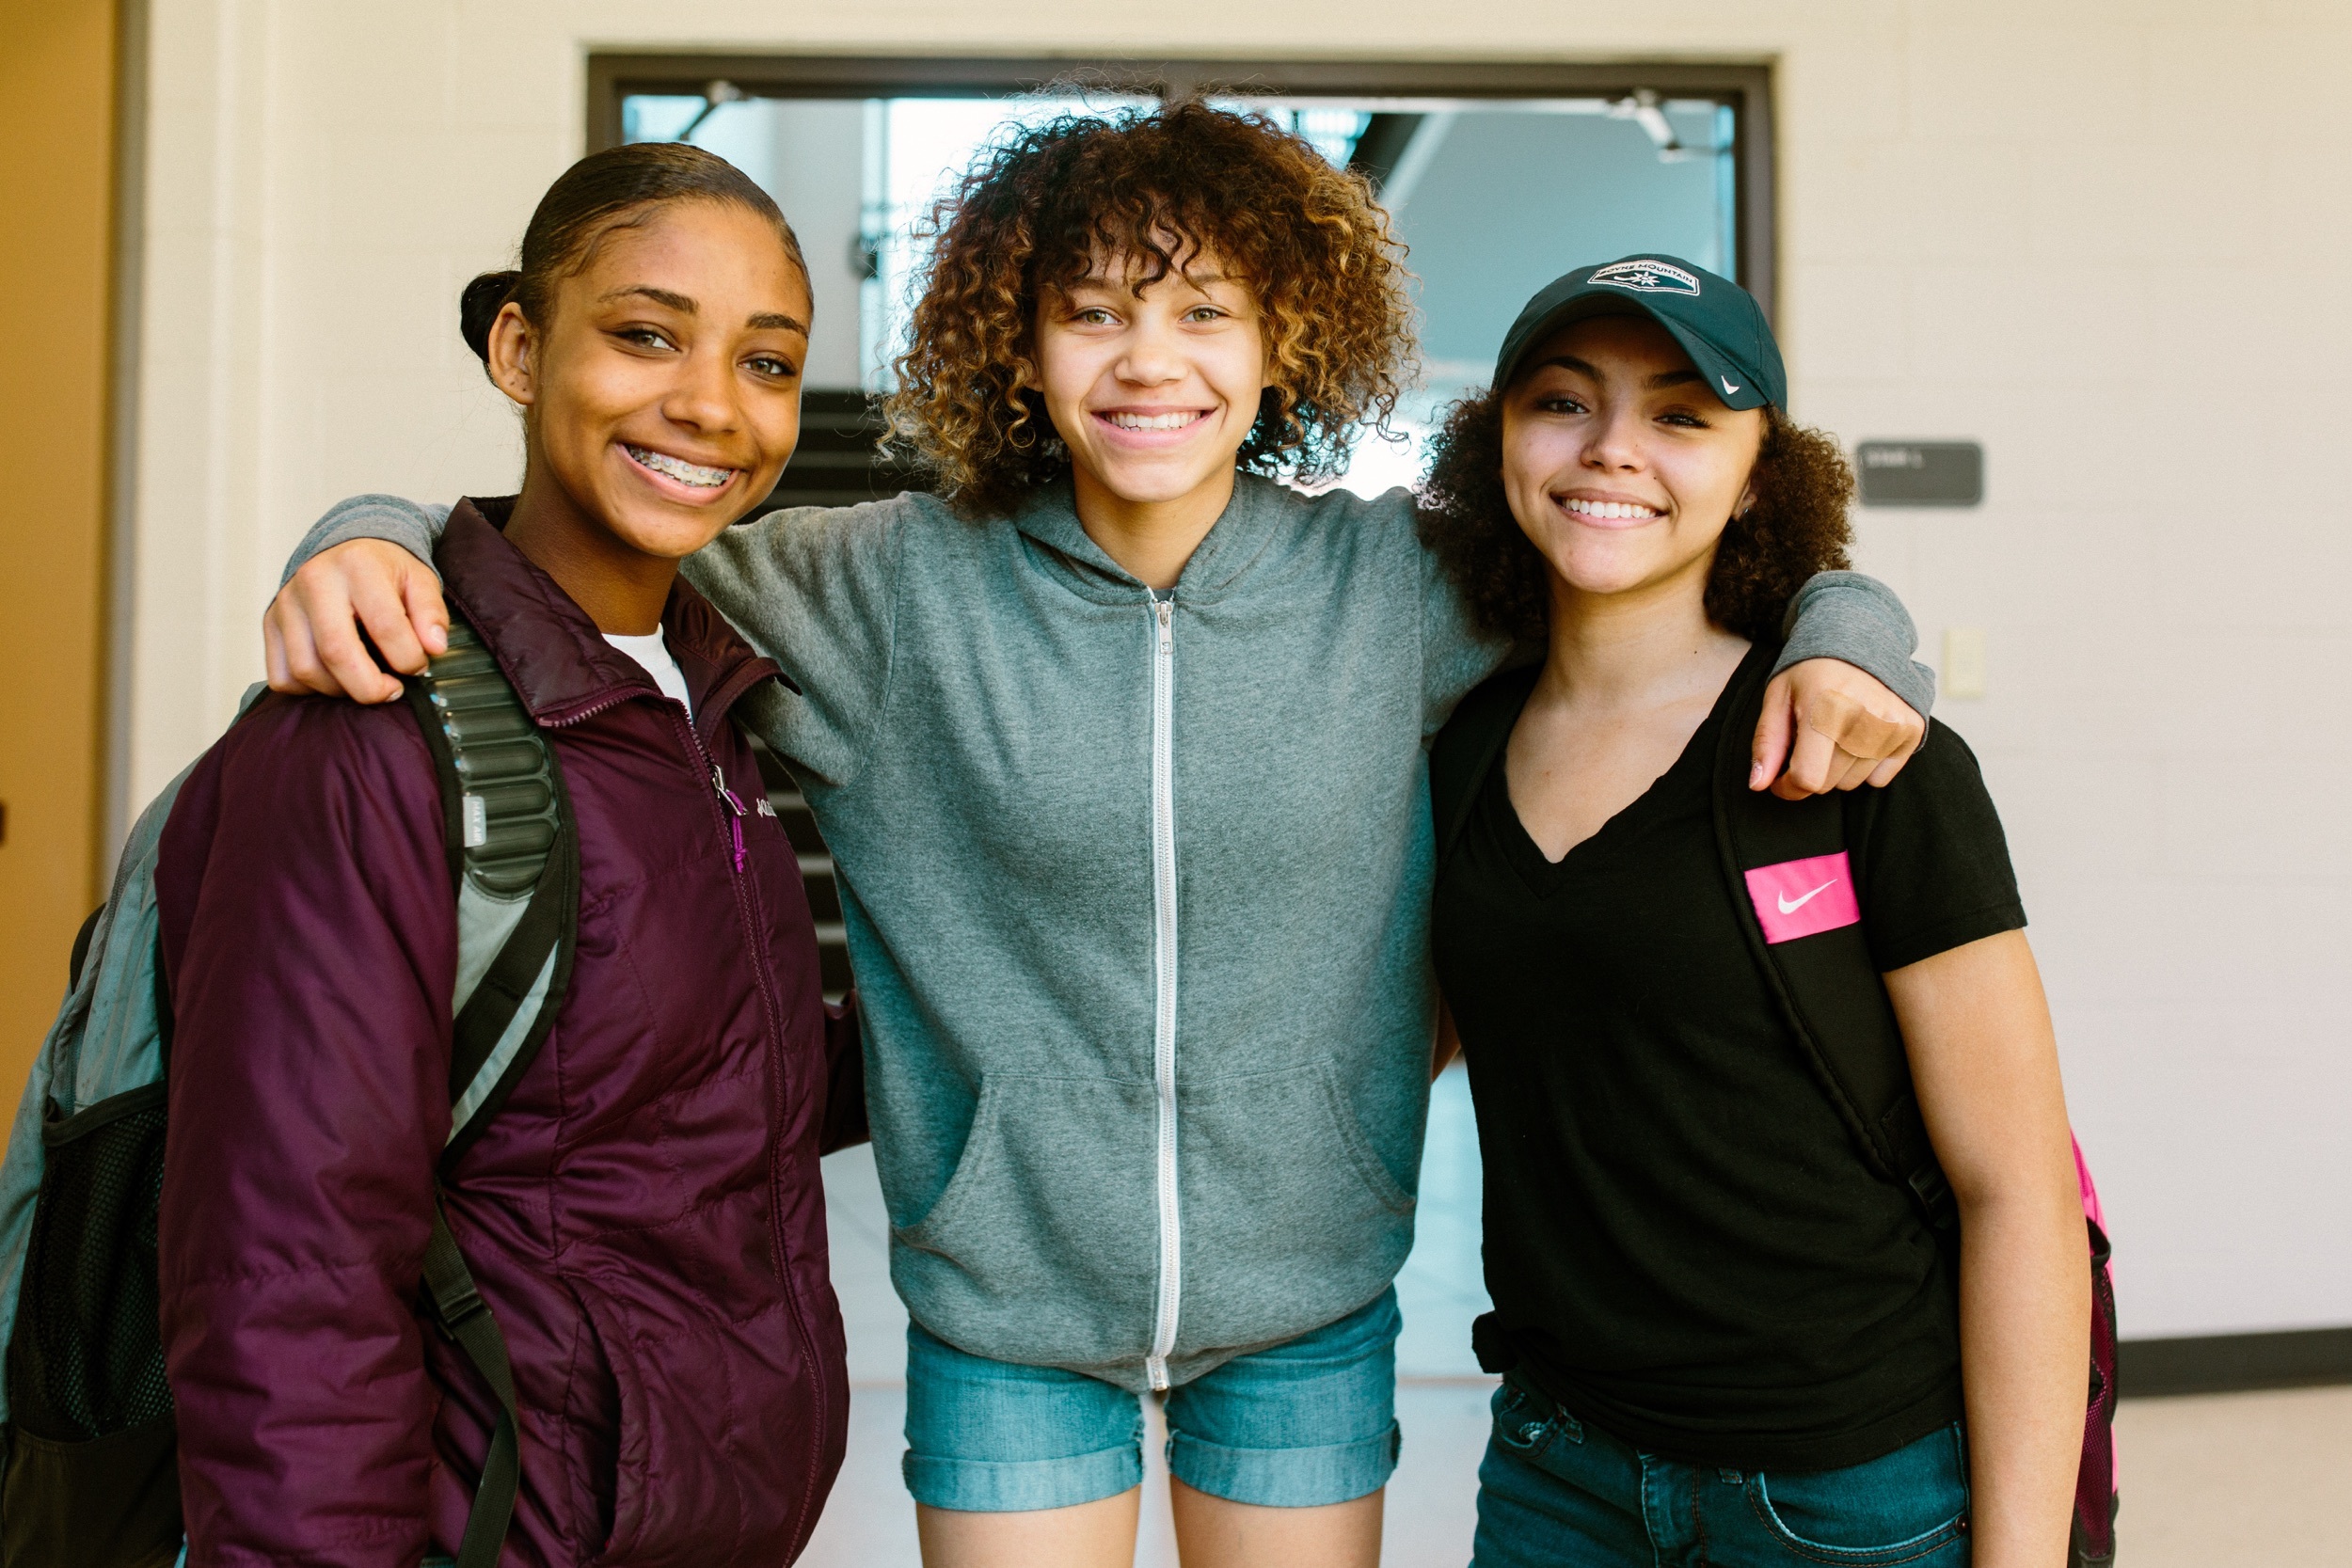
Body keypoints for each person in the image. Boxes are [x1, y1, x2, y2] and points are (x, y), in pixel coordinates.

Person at [255, 106, 1935, 1568]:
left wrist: (1853, 622)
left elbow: (1681, 569)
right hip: (1007, 1311)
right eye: (1095, 312)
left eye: (1206, 312)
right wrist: (367, 529)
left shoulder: (1389, 587)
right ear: (1021, 343)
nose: (1151, 361)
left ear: (1280, 344)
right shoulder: (891, 589)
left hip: (1309, 1297)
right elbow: (577, 539)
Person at [156, 143, 861, 1565]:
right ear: (520, 349)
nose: (712, 406)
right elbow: (286, 1271)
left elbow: (679, 1106)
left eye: (767, 362)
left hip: (702, 1524)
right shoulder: (370, 732)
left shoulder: (711, 705)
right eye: (646, 335)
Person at [1421, 256, 2090, 1566]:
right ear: (1497, 436)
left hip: (1850, 1492)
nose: (1614, 449)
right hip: (1559, 1471)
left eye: (1681, 414)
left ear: (1757, 473)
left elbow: (2019, 1192)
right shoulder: (1454, 746)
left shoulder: (1864, 759)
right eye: (1563, 401)